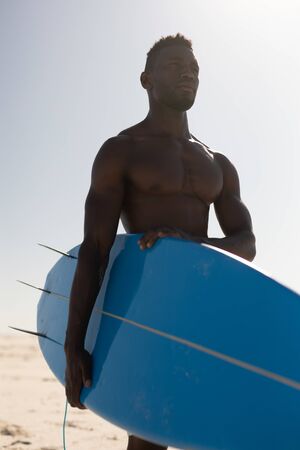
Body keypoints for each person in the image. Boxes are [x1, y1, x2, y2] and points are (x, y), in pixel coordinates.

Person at [64, 33, 256, 450]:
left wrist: (192, 244)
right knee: (150, 434)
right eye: (174, 66)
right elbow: (95, 250)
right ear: (145, 79)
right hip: (150, 309)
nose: (188, 72)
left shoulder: (218, 163)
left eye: (194, 69)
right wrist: (73, 344)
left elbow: (247, 244)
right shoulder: (121, 151)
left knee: (206, 430)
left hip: (208, 306)